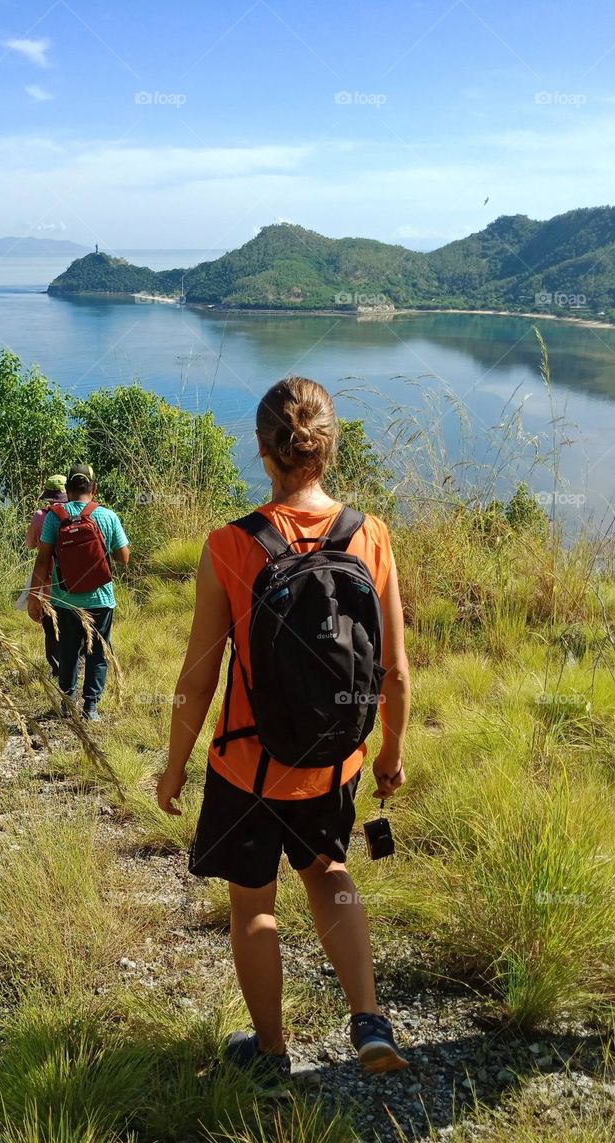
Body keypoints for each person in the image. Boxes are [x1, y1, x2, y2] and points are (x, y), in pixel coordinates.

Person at [156, 376, 411, 1081]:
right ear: (328, 447)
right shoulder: (373, 536)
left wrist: (175, 766)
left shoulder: (230, 546)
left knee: (253, 905)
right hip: (335, 761)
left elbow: (197, 678)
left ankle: (271, 1051)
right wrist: (387, 754)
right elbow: (394, 672)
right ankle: (368, 1016)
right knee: (331, 875)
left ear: (265, 450)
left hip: (248, 768)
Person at [27, 463, 130, 722]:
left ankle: (67, 702)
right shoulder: (107, 516)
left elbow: (42, 560)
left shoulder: (53, 517)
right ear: (93, 488)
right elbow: (123, 558)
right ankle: (91, 707)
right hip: (101, 599)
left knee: (68, 651)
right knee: (98, 652)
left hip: (64, 599)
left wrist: (34, 597)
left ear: (68, 489)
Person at [19, 474, 68, 679]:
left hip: (48, 582)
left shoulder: (41, 516)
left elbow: (31, 545)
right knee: (74, 622)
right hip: (76, 582)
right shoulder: (82, 513)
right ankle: (78, 662)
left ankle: (57, 668)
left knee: (51, 627)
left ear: (48, 495)